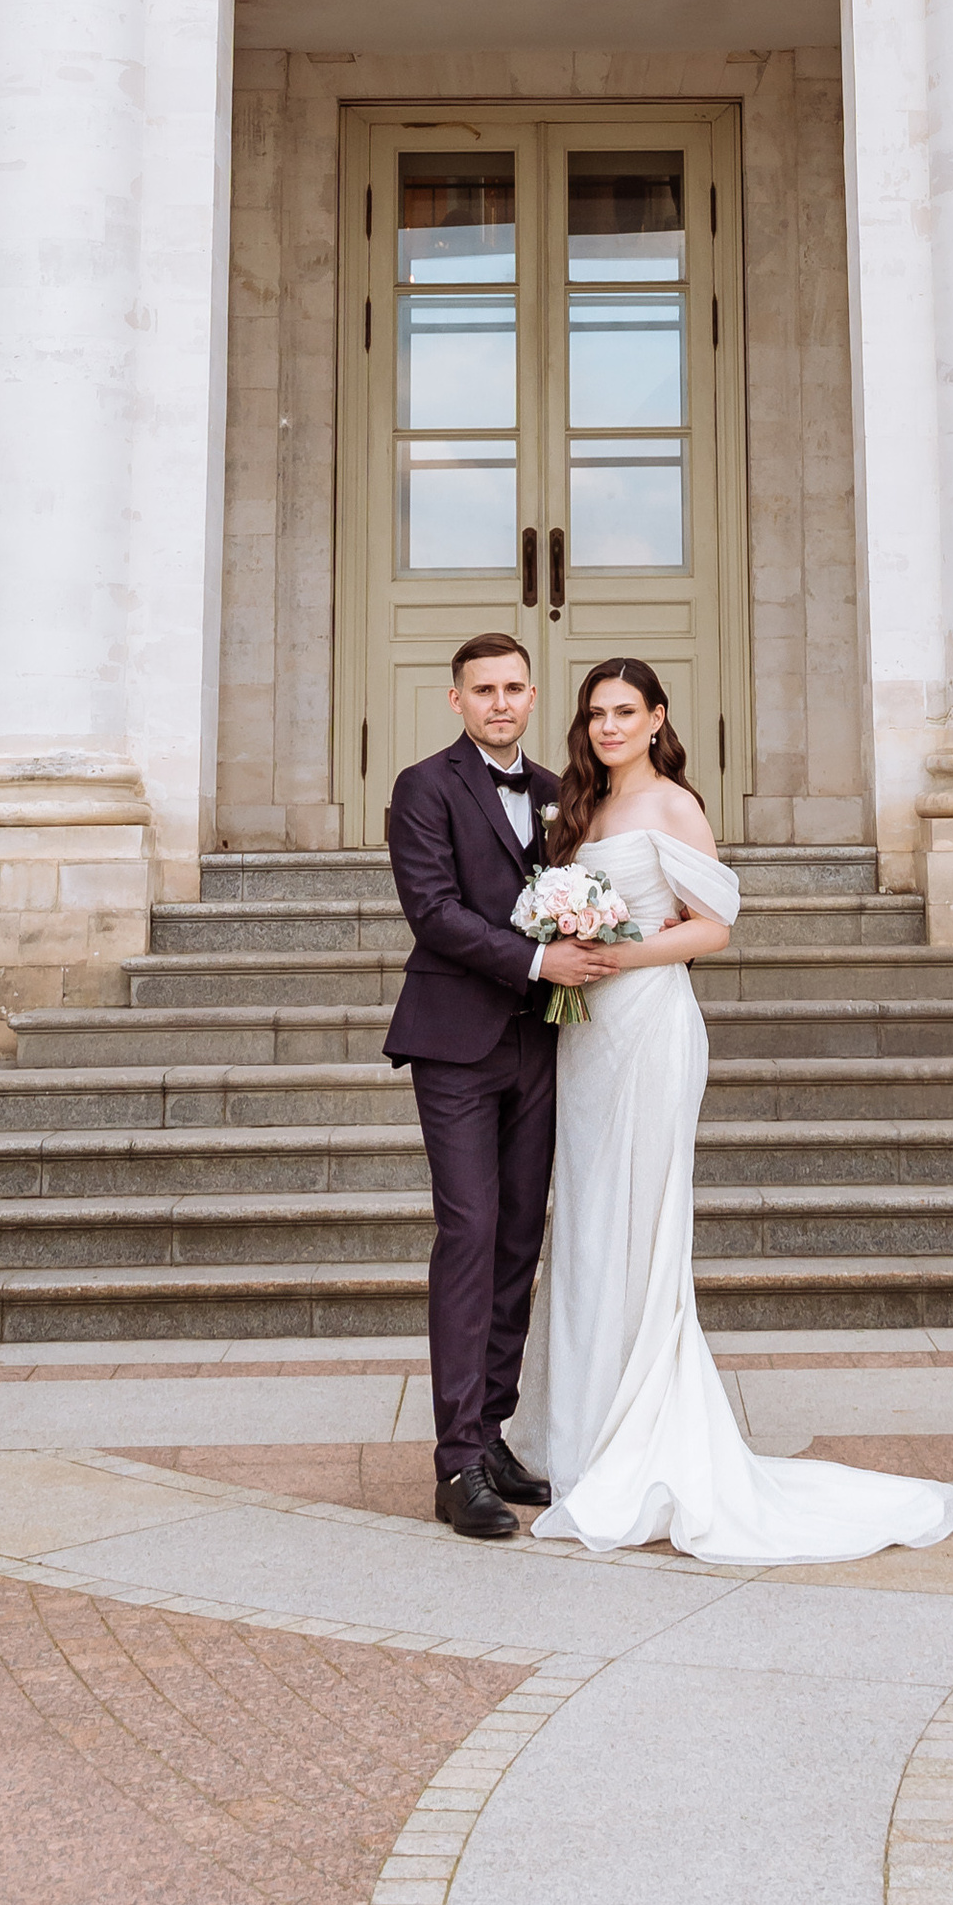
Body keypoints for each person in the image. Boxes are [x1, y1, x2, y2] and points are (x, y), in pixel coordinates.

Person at [512, 658, 953, 1564]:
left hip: (647, 1027)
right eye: (596, 713)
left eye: (624, 712)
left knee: (641, 1226)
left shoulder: (673, 805)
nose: (607, 727)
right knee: (592, 1225)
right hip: (586, 1036)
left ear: (656, 719)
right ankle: (581, 1433)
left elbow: (713, 926)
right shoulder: (578, 807)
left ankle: (642, 1439)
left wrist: (612, 951)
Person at [381, 631, 600, 1539]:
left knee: (519, 1236)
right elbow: (433, 913)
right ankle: (456, 1462)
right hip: (457, 1042)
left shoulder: (559, 794)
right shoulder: (423, 788)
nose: (501, 703)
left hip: (544, 1045)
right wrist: (543, 957)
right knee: (469, 1232)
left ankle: (495, 1432)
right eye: (484, 690)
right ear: (456, 699)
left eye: (514, 689)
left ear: (532, 695)